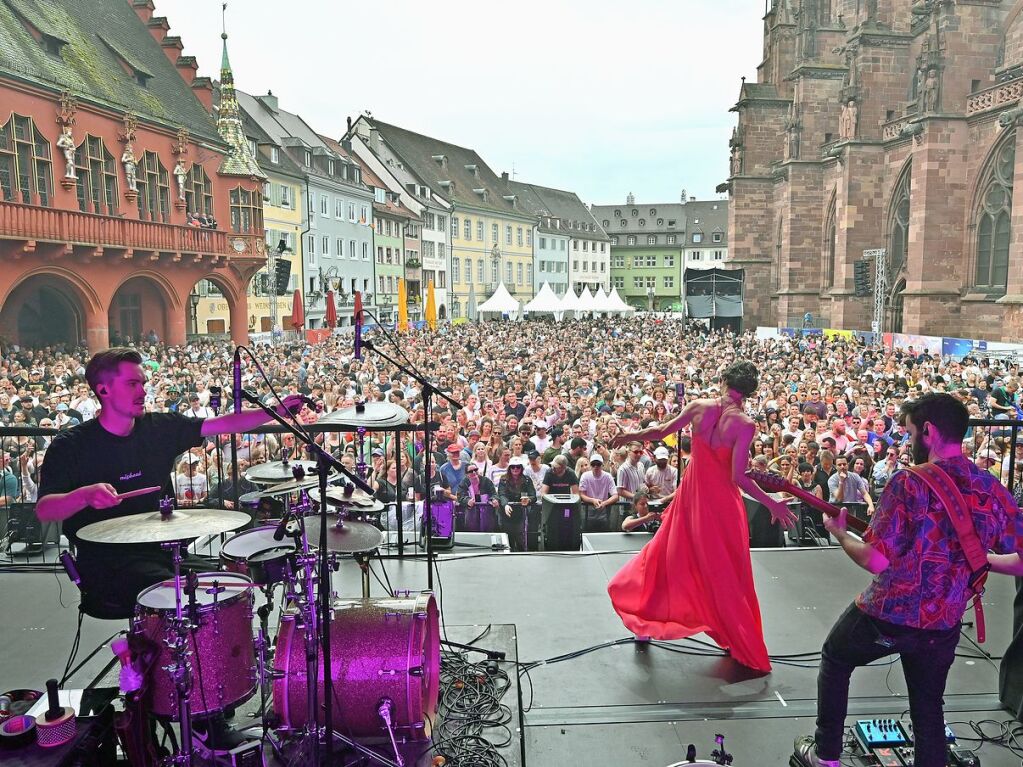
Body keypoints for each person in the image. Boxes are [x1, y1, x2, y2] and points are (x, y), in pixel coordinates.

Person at [793, 393, 1023, 767]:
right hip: (945, 619)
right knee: (928, 704)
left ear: (928, 431)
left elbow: (875, 559)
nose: (907, 440)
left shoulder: (908, 483)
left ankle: (826, 755)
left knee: (836, 658)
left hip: (889, 613)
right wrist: (981, 560)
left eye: (910, 432)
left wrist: (838, 532)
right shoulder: (989, 487)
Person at [35, 347, 306, 614]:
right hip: (107, 565)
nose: (142, 392)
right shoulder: (70, 446)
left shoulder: (159, 429)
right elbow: (45, 509)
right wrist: (82, 496)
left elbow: (223, 424)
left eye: (142, 383)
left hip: (165, 554)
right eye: (132, 384)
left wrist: (274, 412)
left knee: (227, 585)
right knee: (182, 594)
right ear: (103, 390)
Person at [606, 361, 796, 673]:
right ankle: (736, 639)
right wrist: (771, 502)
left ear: (722, 380)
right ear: (750, 392)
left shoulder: (698, 407)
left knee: (666, 556)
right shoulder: (745, 424)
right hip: (722, 505)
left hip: (692, 498)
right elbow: (739, 477)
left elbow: (660, 431)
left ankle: (644, 617)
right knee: (726, 573)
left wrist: (629, 437)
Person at [497, 456, 536, 551]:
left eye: (518, 467)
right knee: (507, 540)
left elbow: (533, 496)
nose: (515, 469)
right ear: (509, 468)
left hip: (521, 513)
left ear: (521, 468)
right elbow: (501, 494)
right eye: (513, 467)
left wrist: (528, 500)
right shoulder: (503, 479)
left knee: (521, 541)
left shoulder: (527, 480)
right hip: (506, 513)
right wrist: (505, 505)